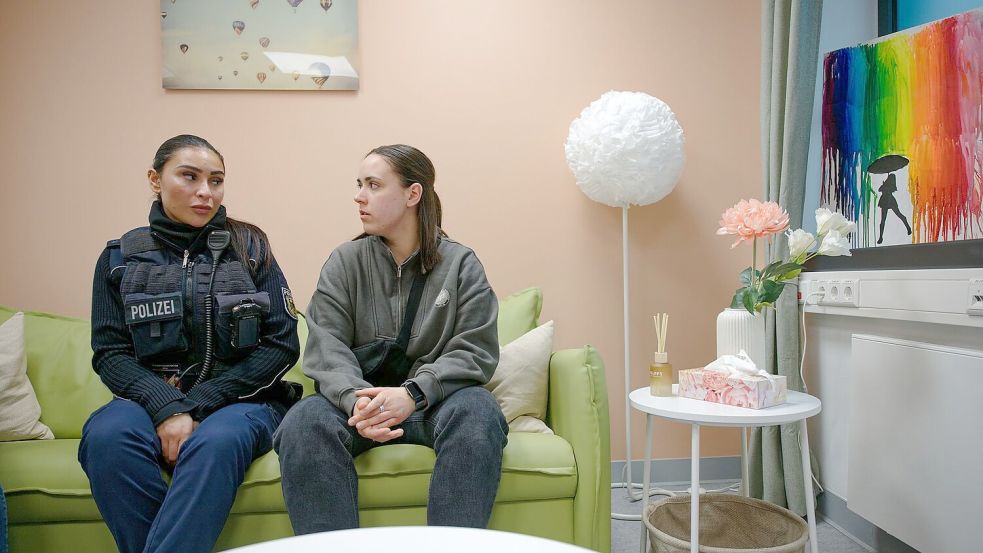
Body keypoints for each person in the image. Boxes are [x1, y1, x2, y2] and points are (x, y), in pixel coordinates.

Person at [78, 134, 300, 553]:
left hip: (243, 404)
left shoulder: (251, 249)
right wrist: (165, 408)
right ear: (154, 179)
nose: (205, 192)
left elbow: (282, 344)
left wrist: (194, 406)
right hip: (149, 401)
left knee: (214, 441)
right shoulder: (118, 258)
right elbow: (111, 354)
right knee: (107, 436)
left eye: (216, 180)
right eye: (189, 176)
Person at [275, 144, 508, 533]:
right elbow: (326, 344)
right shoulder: (344, 262)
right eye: (359, 184)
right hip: (359, 407)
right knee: (304, 421)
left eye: (373, 185)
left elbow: (475, 348)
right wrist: (356, 400)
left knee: (479, 412)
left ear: (412, 195)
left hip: (434, 403)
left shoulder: (461, 264)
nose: (359, 196)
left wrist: (413, 394)